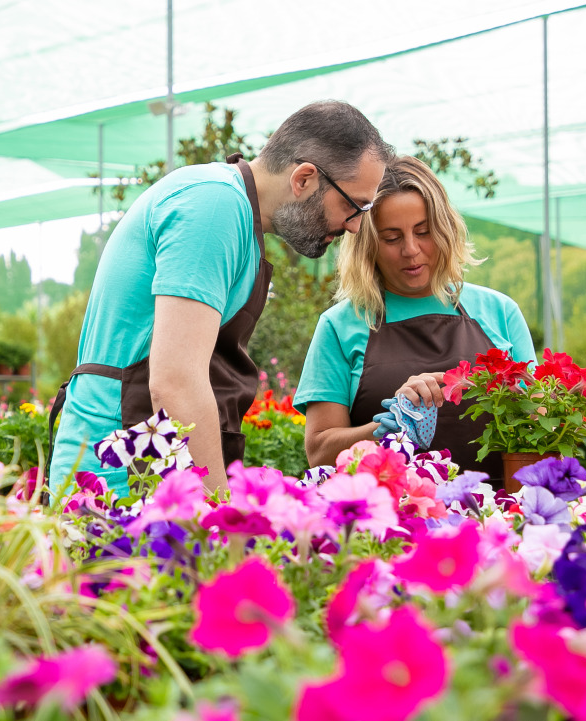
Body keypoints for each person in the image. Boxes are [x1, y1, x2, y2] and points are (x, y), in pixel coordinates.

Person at [48, 100, 393, 497]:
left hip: (150, 464)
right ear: (304, 179)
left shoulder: (235, 213)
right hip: (117, 478)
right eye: (353, 206)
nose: (355, 226)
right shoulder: (214, 208)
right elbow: (176, 381)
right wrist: (218, 512)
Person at [294, 155, 535, 482]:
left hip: (496, 519)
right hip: (393, 522)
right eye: (392, 238)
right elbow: (319, 451)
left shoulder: (499, 312)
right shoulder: (340, 325)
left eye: (423, 232)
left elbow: (539, 424)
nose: (411, 250)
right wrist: (387, 424)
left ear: (445, 230)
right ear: (368, 243)